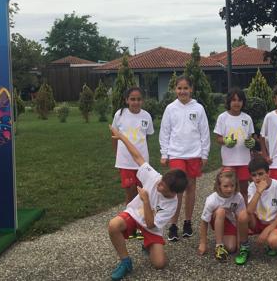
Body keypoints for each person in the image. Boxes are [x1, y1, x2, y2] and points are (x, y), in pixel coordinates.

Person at [107, 125, 188, 280]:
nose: (159, 184)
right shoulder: (155, 177)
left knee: (160, 264)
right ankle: (125, 262)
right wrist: (122, 137)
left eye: (164, 186)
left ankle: (146, 242)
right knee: (113, 225)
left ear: (173, 192)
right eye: (162, 180)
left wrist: (145, 200)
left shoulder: (171, 204)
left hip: (150, 228)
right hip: (134, 216)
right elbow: (138, 156)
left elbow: (151, 225)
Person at [160, 75, 210, 241]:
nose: (183, 91)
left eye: (185, 88)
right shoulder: (170, 108)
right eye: (179, 88)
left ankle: (187, 222)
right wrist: (164, 153)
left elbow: (204, 132)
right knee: (176, 190)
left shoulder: (198, 108)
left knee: (190, 189)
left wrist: (204, 154)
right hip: (176, 154)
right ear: (175, 89)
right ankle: (173, 225)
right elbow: (165, 131)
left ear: (191, 89)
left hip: (194, 154)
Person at [234, 156, 277, 265]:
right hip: (257, 221)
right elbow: (249, 211)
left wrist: (267, 230)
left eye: (260, 173)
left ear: (268, 172)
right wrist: (259, 191)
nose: (257, 178)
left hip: (273, 222)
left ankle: (270, 245)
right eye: (254, 175)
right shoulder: (252, 187)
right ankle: (244, 247)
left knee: (273, 242)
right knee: (242, 215)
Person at [213, 87, 256, 201]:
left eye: (239, 100)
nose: (237, 103)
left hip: (244, 160)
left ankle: (244, 214)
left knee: (243, 190)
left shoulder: (247, 118)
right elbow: (218, 138)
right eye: (234, 100)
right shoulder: (222, 117)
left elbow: (251, 137)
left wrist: (251, 142)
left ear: (243, 102)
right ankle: (228, 214)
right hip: (228, 160)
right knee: (228, 188)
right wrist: (226, 140)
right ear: (229, 102)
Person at [198, 170, 246, 262]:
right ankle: (219, 246)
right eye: (225, 186)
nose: (229, 189)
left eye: (232, 186)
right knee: (221, 211)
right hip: (216, 218)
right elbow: (204, 222)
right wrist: (203, 243)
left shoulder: (238, 197)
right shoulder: (212, 200)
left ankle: (223, 236)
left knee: (232, 248)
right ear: (219, 186)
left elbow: (239, 218)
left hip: (229, 221)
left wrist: (240, 240)